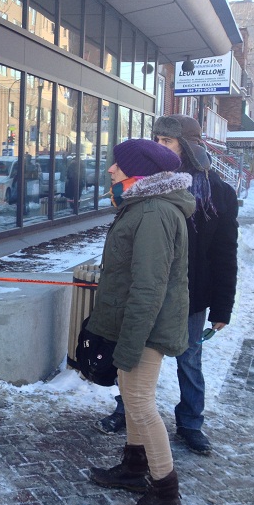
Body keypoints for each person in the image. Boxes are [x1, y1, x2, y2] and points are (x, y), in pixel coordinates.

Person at [96, 115, 239, 457]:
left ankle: (190, 423)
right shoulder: (147, 187)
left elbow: (225, 253)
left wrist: (222, 306)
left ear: (188, 148)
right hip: (146, 289)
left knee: (188, 359)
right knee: (134, 357)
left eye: (167, 142)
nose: (159, 147)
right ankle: (126, 409)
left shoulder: (217, 192)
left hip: (189, 294)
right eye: (156, 140)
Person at [87, 139, 195, 505]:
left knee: (139, 402)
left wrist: (130, 344)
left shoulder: (153, 213)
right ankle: (134, 469)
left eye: (117, 165)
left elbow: (149, 287)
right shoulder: (141, 207)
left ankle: (167, 495)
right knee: (132, 398)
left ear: (141, 174)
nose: (110, 170)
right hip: (137, 325)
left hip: (147, 328)